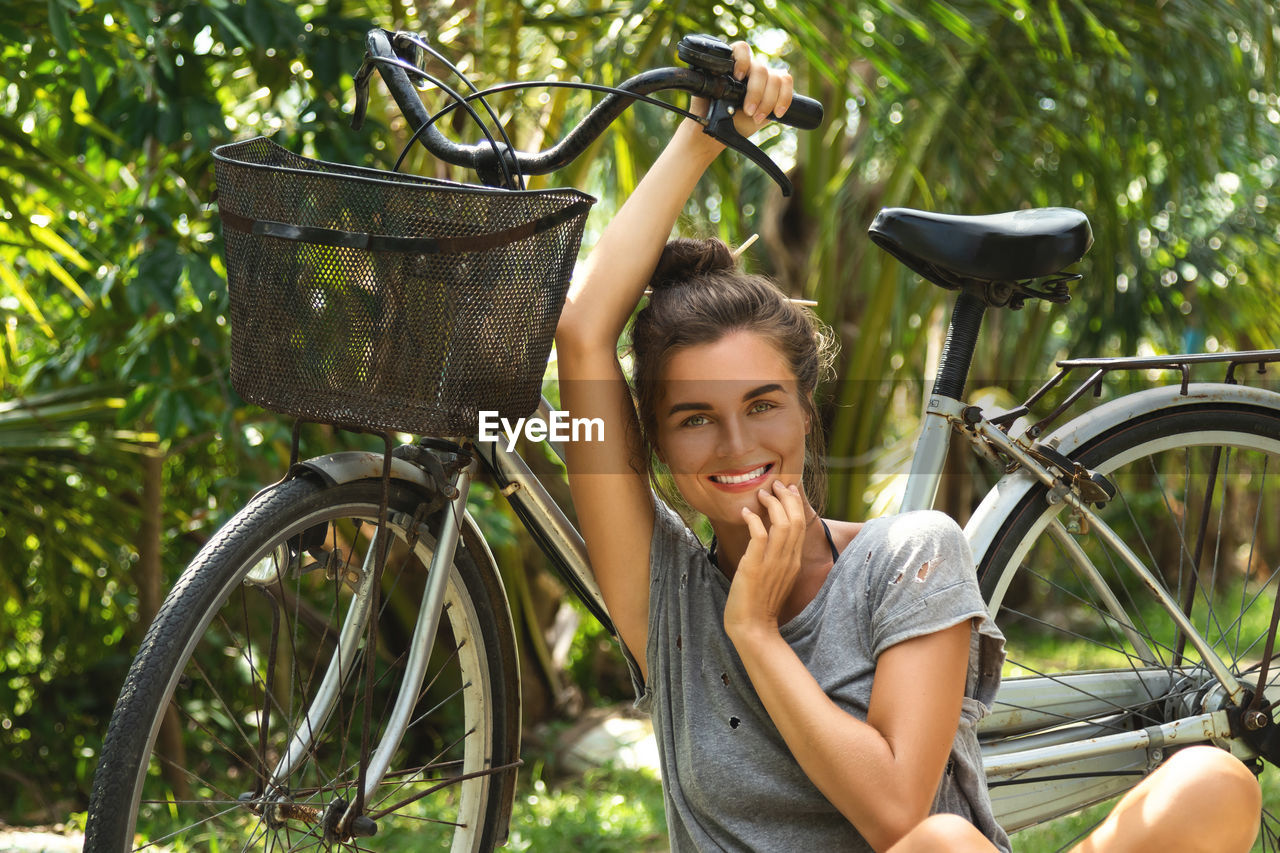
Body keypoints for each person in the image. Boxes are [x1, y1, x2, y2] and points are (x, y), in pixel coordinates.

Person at [554, 40, 1262, 853]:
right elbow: (582, 333)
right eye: (694, 418)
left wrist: (756, 629)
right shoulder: (667, 599)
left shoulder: (910, 556)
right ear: (653, 440)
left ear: (806, 413)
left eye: (763, 404)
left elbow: (895, 809)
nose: (737, 442)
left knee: (1211, 784)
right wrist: (703, 134)